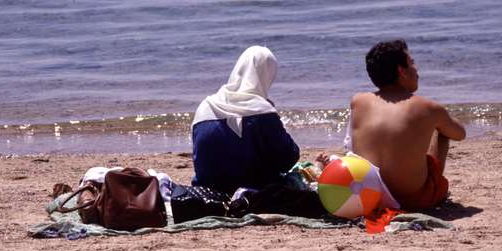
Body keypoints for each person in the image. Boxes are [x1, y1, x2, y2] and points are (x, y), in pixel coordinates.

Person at [320, 39, 466, 211]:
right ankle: (431, 183)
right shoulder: (428, 108)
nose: (416, 70)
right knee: (442, 131)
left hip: (368, 194)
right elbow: (460, 134)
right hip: (414, 200)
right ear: (401, 71)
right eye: (412, 63)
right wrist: (438, 120)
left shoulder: (358, 101)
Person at [191, 45, 300, 195]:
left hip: (207, 191)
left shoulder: (205, 106)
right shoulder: (261, 111)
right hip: (252, 191)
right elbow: (287, 158)